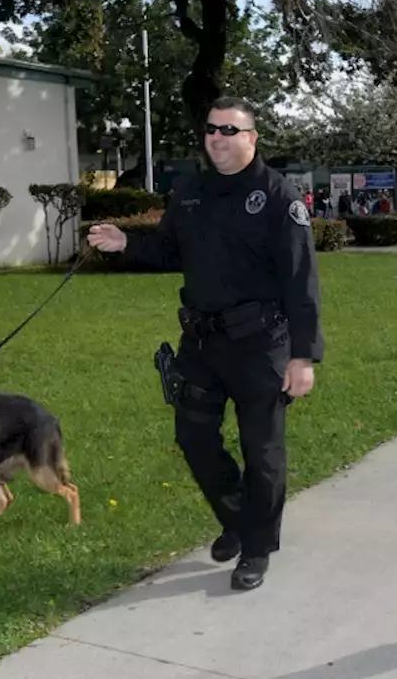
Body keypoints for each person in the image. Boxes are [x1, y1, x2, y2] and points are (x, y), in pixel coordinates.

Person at [86, 96, 323, 591]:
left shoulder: (279, 197)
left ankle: (256, 547)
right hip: (202, 343)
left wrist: (303, 356)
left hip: (261, 344)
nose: (218, 137)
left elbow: (302, 283)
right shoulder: (190, 192)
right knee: (193, 438)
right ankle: (237, 519)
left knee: (263, 453)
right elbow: (170, 249)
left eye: (230, 130)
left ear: (252, 138)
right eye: (212, 129)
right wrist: (126, 242)